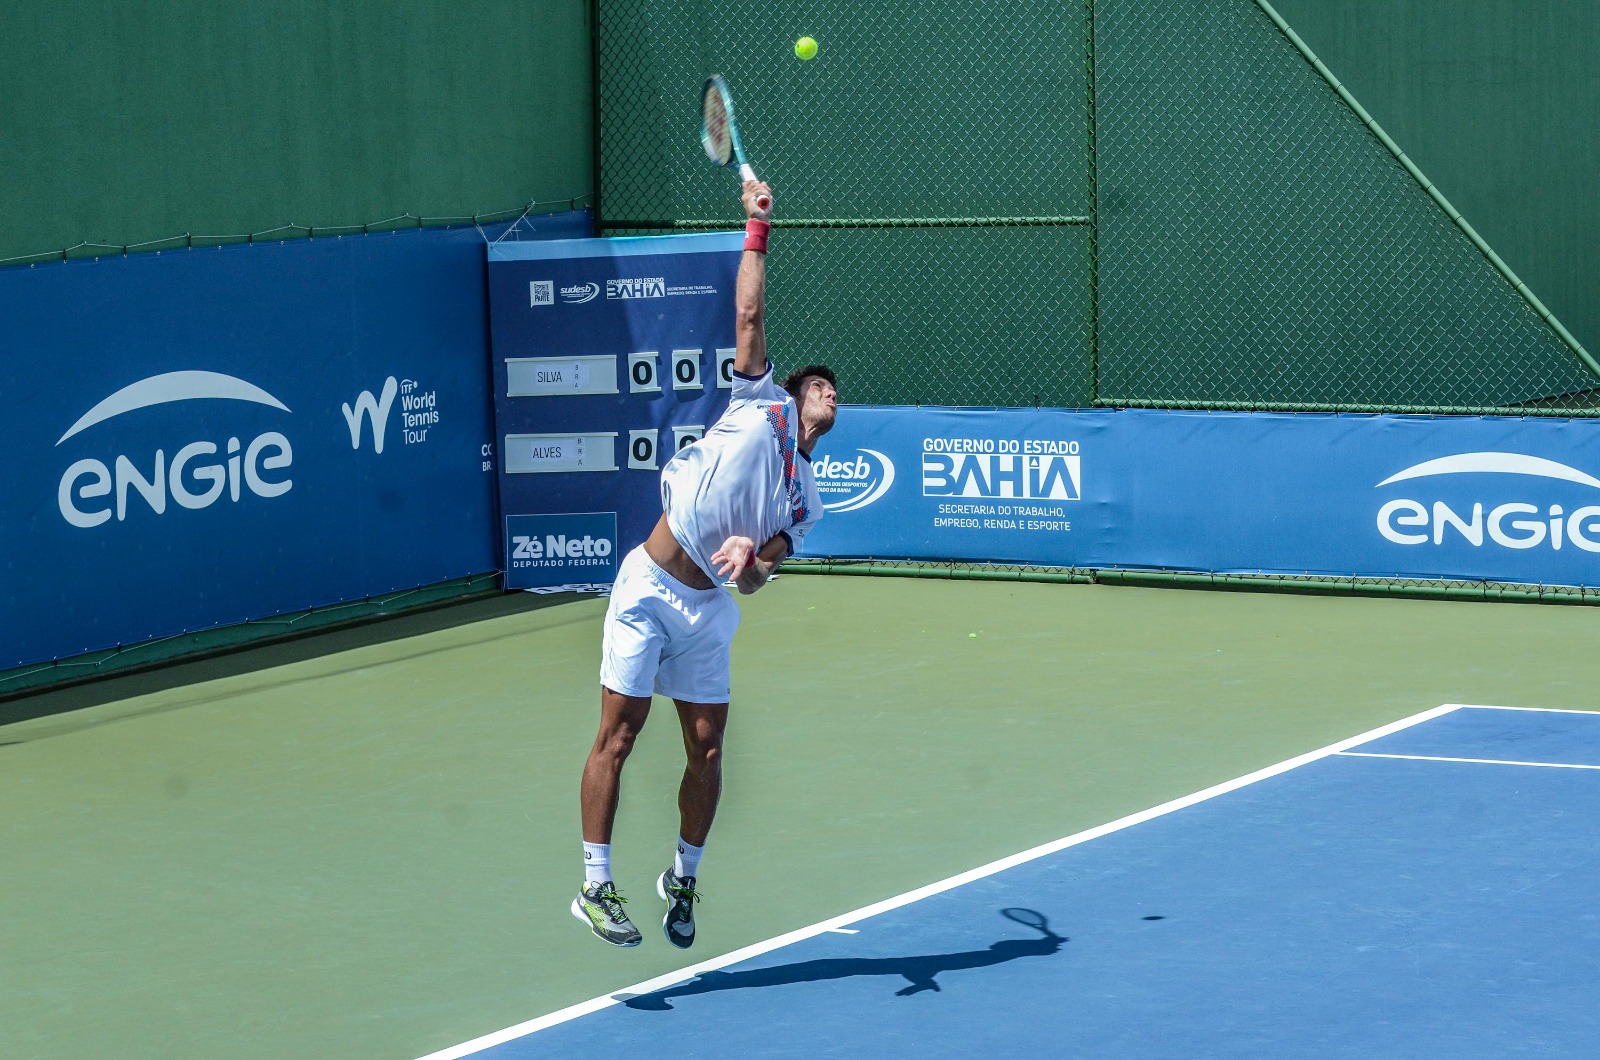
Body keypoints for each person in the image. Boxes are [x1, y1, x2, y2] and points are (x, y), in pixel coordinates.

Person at [571, 180, 840, 948]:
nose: (827, 391)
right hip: (648, 587)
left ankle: (682, 878)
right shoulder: (760, 401)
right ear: (792, 391)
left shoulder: (807, 501)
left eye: (834, 392)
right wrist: (756, 226)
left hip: (707, 615)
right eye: (816, 383)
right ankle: (595, 886)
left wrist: (751, 558)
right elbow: (749, 313)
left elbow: (761, 576)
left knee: (709, 751)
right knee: (617, 737)